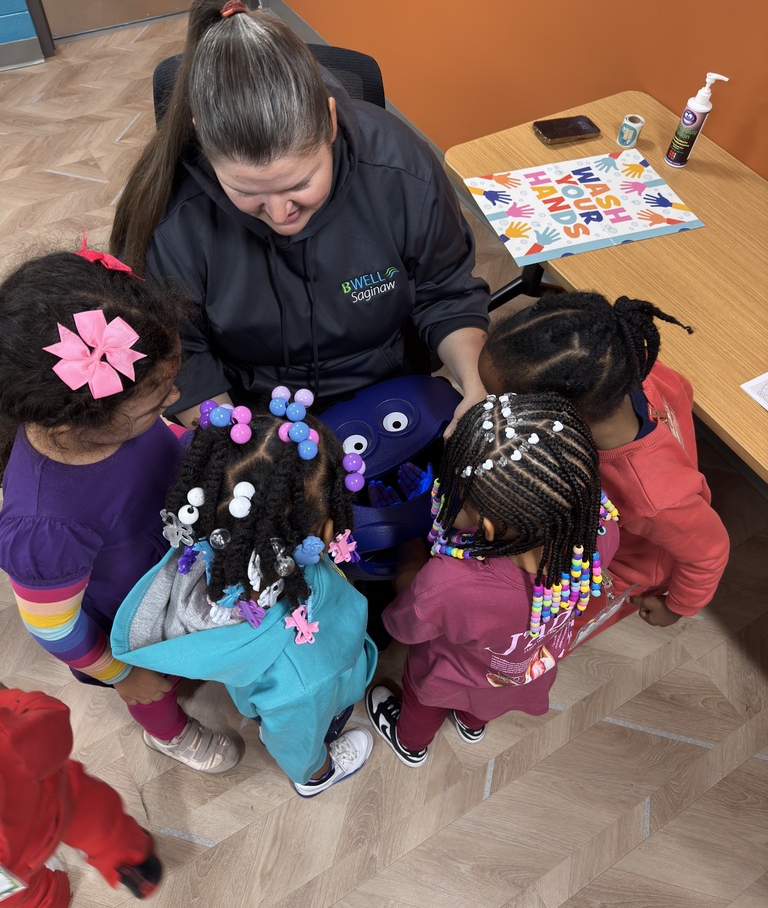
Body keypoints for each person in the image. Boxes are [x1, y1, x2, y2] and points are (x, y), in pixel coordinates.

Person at [109, 0, 489, 431]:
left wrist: (474, 383)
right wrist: (238, 442)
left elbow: (446, 292)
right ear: (203, 144)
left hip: (388, 392)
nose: (280, 212)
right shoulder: (170, 214)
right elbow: (181, 354)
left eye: (301, 183)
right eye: (247, 191)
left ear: (329, 122)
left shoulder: (400, 167)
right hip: (249, 412)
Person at [0, 246, 240, 775]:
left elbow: (156, 438)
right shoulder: (45, 525)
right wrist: (121, 675)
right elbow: (54, 628)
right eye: (158, 400)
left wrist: (186, 441)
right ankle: (168, 734)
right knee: (152, 686)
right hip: (126, 617)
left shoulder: (115, 413)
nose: (175, 395)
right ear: (81, 418)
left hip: (170, 555)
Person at [111, 390, 377, 797]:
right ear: (323, 530)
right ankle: (319, 779)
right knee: (305, 728)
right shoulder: (302, 680)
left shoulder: (215, 557)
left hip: (297, 672)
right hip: (318, 689)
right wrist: (311, 765)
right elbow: (295, 736)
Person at [365, 392, 620, 765]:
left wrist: (409, 543)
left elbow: (407, 626)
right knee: (486, 703)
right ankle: (471, 724)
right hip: (522, 676)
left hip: (449, 678)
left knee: (423, 704)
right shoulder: (601, 529)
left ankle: (411, 743)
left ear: (486, 527)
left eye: (458, 495)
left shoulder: (451, 582)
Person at [478, 291, 730, 632]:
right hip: (619, 518)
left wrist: (677, 607)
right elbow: (682, 388)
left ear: (566, 416)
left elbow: (709, 551)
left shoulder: (653, 499)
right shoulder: (623, 369)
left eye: (503, 401)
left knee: (557, 625)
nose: (495, 406)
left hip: (623, 570)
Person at [0, 682, 162, 908]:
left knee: (22, 897)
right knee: (89, 814)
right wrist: (13, 700)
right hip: (42, 800)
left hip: (7, 873)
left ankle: (50, 905)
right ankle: (132, 863)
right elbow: (52, 728)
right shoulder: (7, 738)